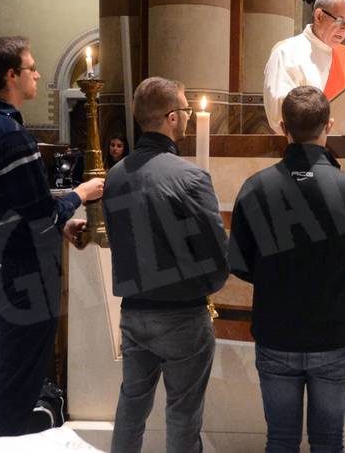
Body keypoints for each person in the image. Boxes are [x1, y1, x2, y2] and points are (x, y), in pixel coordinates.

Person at [0, 36, 104, 437]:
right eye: (31, 67)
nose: (38, 73)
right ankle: (4, 439)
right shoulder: (9, 135)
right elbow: (38, 212)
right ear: (11, 76)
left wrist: (60, 224)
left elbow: (13, 208)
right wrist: (81, 194)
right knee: (20, 379)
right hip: (21, 270)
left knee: (1, 367)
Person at [229, 86, 345, 452]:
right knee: (329, 442)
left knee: (280, 441)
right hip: (333, 335)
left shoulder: (255, 188)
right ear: (329, 125)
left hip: (276, 333)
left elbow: (239, 263)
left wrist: (272, 276)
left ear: (283, 127)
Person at [103, 76, 228, 453]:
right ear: (172, 117)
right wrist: (208, 286)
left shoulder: (114, 176)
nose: (189, 117)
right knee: (183, 413)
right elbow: (216, 252)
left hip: (134, 311)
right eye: (186, 110)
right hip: (181, 314)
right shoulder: (190, 176)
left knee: (131, 406)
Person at [263, 0, 345, 132]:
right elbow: (279, 111)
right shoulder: (286, 53)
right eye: (340, 21)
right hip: (302, 150)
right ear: (319, 15)